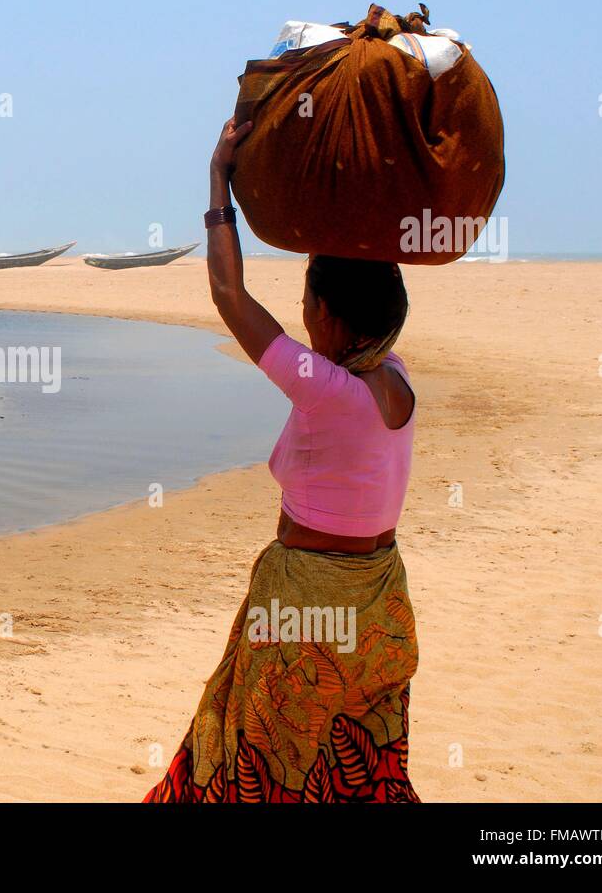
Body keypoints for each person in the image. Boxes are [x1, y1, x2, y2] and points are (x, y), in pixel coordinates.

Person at [144, 118, 420, 802]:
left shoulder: (328, 390)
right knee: (356, 762)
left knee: (266, 761)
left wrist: (218, 179)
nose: (300, 318)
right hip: (382, 599)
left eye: (306, 305)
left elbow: (229, 295)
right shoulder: (399, 379)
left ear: (330, 317)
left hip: (309, 604)